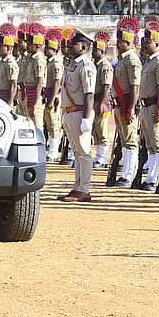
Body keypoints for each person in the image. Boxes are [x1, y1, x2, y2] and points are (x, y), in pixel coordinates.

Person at [56, 31, 97, 202]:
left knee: (84, 152)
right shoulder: (73, 65)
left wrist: (86, 119)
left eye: (74, 44)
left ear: (84, 46)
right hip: (70, 111)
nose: (70, 46)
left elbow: (89, 94)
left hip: (80, 112)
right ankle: (77, 187)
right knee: (77, 153)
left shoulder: (86, 66)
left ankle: (84, 189)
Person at [138, 22, 159, 192]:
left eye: (148, 41)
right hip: (145, 107)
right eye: (144, 41)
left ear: (157, 44)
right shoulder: (149, 62)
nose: (145, 44)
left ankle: (155, 178)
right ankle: (150, 175)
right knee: (150, 143)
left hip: (153, 106)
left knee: (157, 143)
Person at [112, 17, 142, 187]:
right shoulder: (123, 59)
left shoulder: (132, 60)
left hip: (127, 103)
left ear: (128, 42)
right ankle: (125, 172)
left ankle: (129, 175)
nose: (118, 44)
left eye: (121, 41)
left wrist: (130, 109)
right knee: (124, 140)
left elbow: (135, 87)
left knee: (130, 140)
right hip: (120, 103)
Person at [92, 32, 113, 168]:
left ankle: (103, 157)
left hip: (102, 100)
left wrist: (103, 103)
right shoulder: (96, 65)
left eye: (95, 50)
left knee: (102, 129)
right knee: (96, 130)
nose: (93, 52)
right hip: (95, 100)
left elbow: (106, 86)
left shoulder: (105, 66)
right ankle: (99, 155)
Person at [43, 29, 65, 162]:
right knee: (48, 124)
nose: (45, 50)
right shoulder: (49, 61)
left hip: (53, 96)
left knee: (53, 125)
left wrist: (52, 99)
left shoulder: (56, 63)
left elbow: (57, 81)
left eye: (48, 48)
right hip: (48, 94)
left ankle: (53, 152)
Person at [24, 23, 48, 131]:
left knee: (37, 125)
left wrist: (34, 101)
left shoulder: (39, 60)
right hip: (28, 93)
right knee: (29, 124)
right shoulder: (30, 58)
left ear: (37, 45)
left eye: (30, 44)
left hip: (35, 95)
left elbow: (39, 82)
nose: (27, 46)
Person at [0, 23, 19, 106]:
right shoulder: (1, 61)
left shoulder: (10, 63)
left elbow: (13, 84)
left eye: (1, 46)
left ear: (8, 48)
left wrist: (10, 102)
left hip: (6, 97)